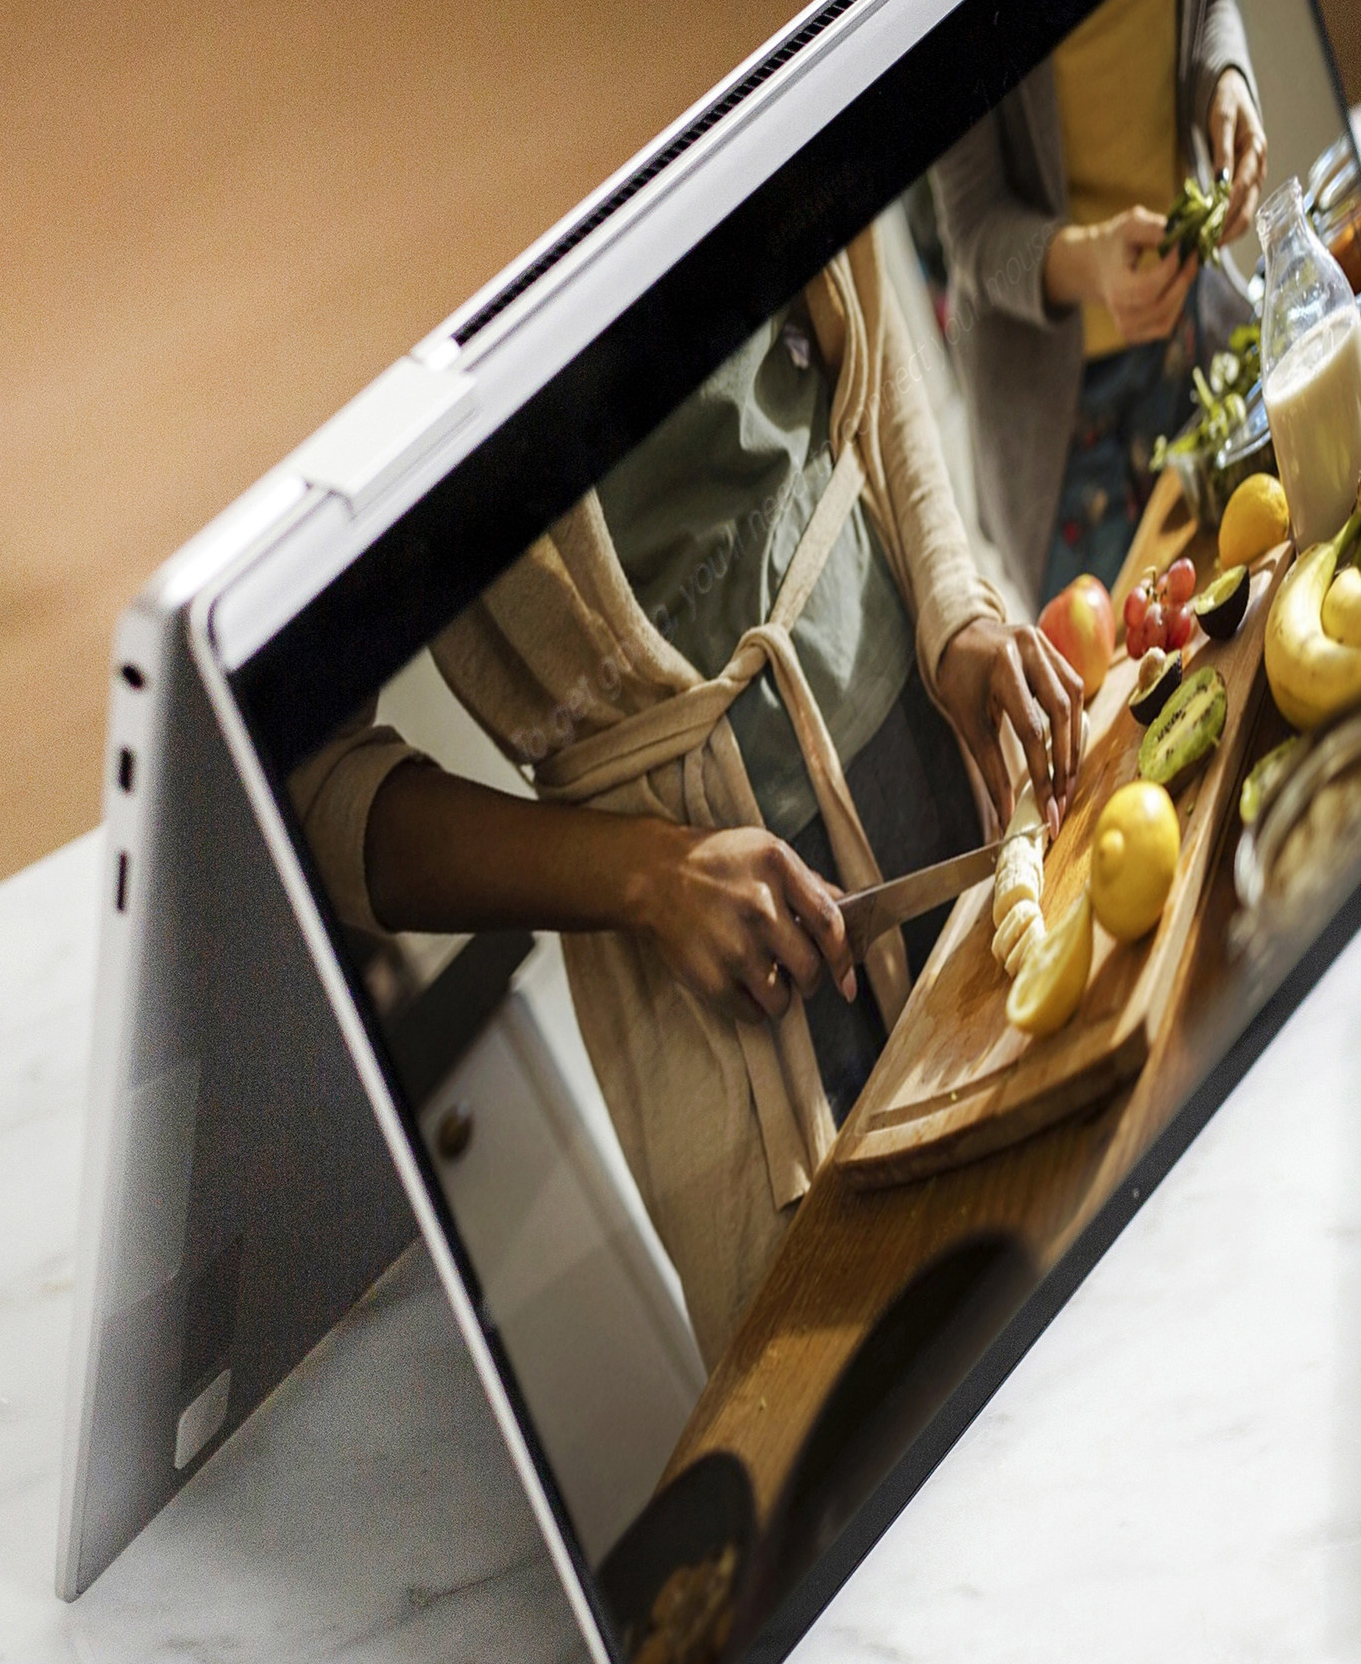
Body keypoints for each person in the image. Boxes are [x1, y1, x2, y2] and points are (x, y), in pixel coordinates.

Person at [293, 228, 1082, 1365]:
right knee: (874, 1407)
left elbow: (861, 293)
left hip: (947, 761)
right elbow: (313, 798)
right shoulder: (366, 242)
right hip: (719, 988)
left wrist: (953, 603)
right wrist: (646, 873)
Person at [930, 0, 1267, 606]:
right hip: (1062, 435)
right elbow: (971, 230)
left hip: (1193, 337)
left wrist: (1225, 81)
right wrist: (1090, 262)